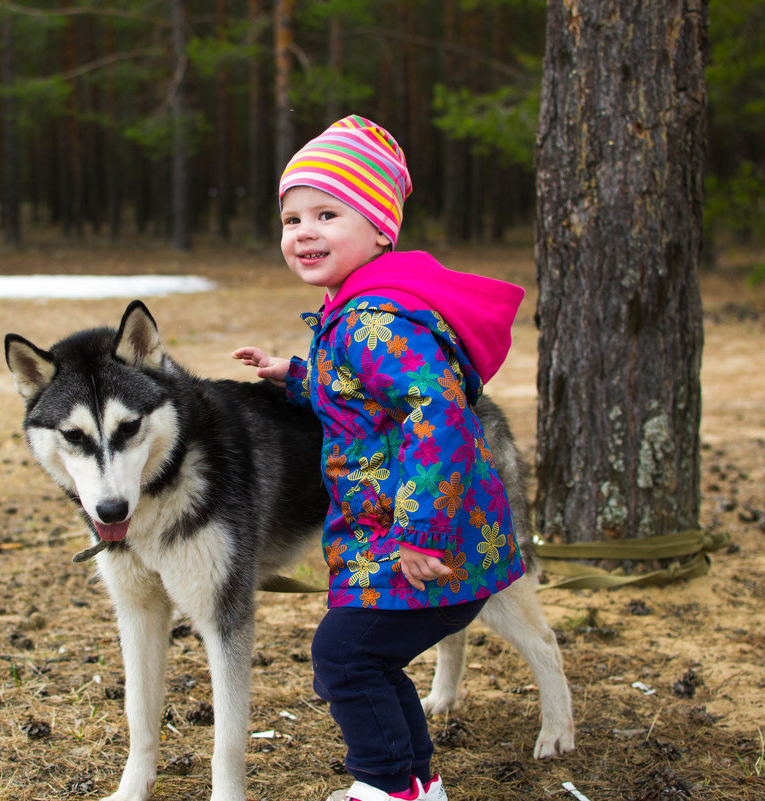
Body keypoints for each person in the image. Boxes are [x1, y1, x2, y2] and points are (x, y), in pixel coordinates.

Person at [233, 115, 527, 801]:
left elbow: (440, 416)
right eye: (291, 217)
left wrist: (422, 530)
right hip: (410, 538)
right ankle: (417, 782)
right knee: (373, 656)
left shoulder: (379, 320)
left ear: (379, 229)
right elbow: (364, 398)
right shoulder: (356, 315)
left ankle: (387, 784)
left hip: (424, 543)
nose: (303, 231)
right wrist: (295, 375)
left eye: (327, 213)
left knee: (345, 656)